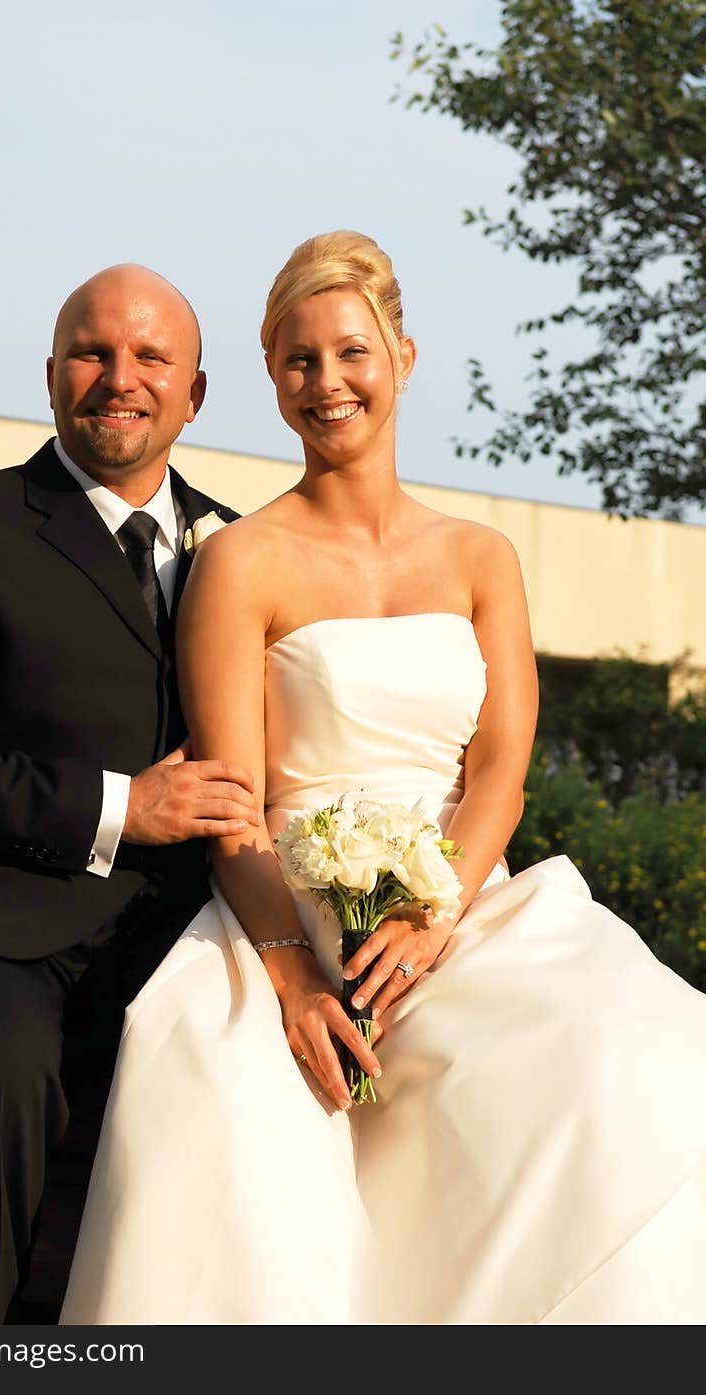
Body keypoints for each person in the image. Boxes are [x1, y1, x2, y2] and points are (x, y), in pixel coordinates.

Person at [60, 231, 706, 1325]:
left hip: (459, 896)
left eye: (351, 353)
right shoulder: (240, 561)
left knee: (630, 1061)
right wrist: (292, 969)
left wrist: (437, 906)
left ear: (402, 356)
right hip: (287, 904)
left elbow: (500, 767)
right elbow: (234, 805)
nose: (328, 384)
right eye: (298, 362)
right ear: (271, 382)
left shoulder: (479, 558)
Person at [0, 263, 258, 1324]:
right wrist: (124, 808)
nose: (118, 378)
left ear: (195, 393)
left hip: (186, 936)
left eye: (150, 357)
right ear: (50, 375)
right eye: (92, 350)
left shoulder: (250, 547)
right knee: (4, 1078)